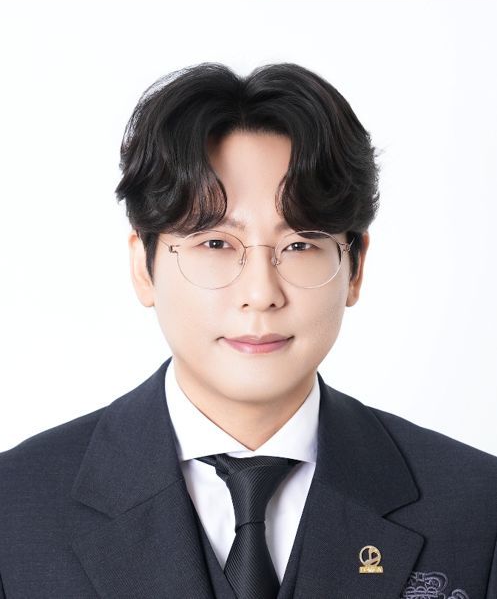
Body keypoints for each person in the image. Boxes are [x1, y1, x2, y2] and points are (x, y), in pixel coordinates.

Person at [0, 62, 496, 599]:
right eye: (215, 243)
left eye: (300, 244)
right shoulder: (16, 506)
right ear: (144, 266)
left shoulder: (477, 506)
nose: (261, 293)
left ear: (355, 267)